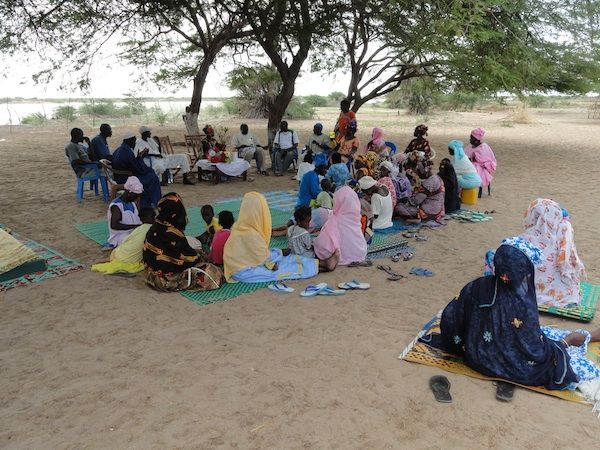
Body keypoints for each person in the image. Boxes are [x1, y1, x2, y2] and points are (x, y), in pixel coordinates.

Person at [432, 241, 600, 393]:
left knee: (543, 334)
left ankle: (586, 336)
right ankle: (583, 337)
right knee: (580, 365)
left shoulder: (476, 286)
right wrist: (565, 342)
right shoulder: (522, 307)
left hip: (475, 356)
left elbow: (451, 316)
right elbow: (534, 352)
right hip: (506, 365)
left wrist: (463, 342)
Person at [223, 192, 325, 282]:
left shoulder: (239, 227)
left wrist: (279, 253)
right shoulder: (250, 234)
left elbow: (256, 253)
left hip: (245, 263)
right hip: (244, 271)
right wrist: (272, 263)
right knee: (282, 269)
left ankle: (319, 264)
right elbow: (260, 257)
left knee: (286, 258)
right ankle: (319, 267)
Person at [143, 193, 224, 291]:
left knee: (198, 254)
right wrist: (202, 257)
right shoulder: (172, 233)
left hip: (151, 274)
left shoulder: (157, 225)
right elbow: (189, 259)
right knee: (210, 272)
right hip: (165, 278)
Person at [521, 199, 585, 307]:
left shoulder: (526, 237)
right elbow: (567, 261)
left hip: (527, 289)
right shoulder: (561, 234)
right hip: (557, 290)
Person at [314, 186, 368, 268]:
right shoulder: (356, 216)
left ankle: (333, 258)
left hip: (340, 253)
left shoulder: (336, 218)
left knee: (319, 246)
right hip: (360, 252)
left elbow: (325, 240)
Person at [91, 207, 155, 275]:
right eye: (153, 215)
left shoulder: (138, 228)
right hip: (128, 259)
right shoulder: (152, 229)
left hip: (118, 253)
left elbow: (126, 240)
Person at [111, 131, 162, 208]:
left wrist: (139, 157)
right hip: (125, 179)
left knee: (150, 173)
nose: (135, 143)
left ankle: (147, 201)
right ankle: (155, 202)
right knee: (153, 178)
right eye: (134, 141)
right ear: (129, 141)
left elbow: (132, 164)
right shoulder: (127, 151)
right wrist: (141, 157)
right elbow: (138, 170)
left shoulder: (120, 149)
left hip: (120, 176)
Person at [107, 176, 144, 248]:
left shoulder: (132, 203)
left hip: (132, 232)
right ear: (128, 193)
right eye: (136, 196)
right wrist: (135, 227)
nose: (136, 199)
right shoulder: (116, 206)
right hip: (120, 237)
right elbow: (114, 225)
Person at [464, 127, 496, 196]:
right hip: (471, 164)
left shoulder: (484, 147)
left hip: (483, 167)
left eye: (471, 138)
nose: (470, 140)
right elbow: (465, 155)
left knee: (475, 168)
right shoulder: (471, 146)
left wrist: (472, 159)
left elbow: (482, 160)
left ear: (476, 140)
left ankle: (478, 189)